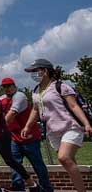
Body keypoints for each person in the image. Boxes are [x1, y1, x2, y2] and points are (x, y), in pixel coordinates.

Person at [22, 59, 92, 192]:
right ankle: (80, 189)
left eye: (35, 71)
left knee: (63, 157)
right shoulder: (36, 90)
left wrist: (86, 124)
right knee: (69, 162)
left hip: (70, 126)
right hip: (53, 131)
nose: (33, 74)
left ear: (45, 70)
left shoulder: (61, 87)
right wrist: (27, 126)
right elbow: (35, 110)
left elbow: (73, 105)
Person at [0, 77, 53, 192]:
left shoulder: (20, 96)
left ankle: (46, 188)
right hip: (15, 137)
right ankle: (18, 187)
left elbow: (12, 114)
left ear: (14, 86)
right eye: (5, 87)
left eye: (9, 86)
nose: (7, 88)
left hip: (30, 137)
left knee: (37, 165)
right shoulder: (2, 99)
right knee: (15, 164)